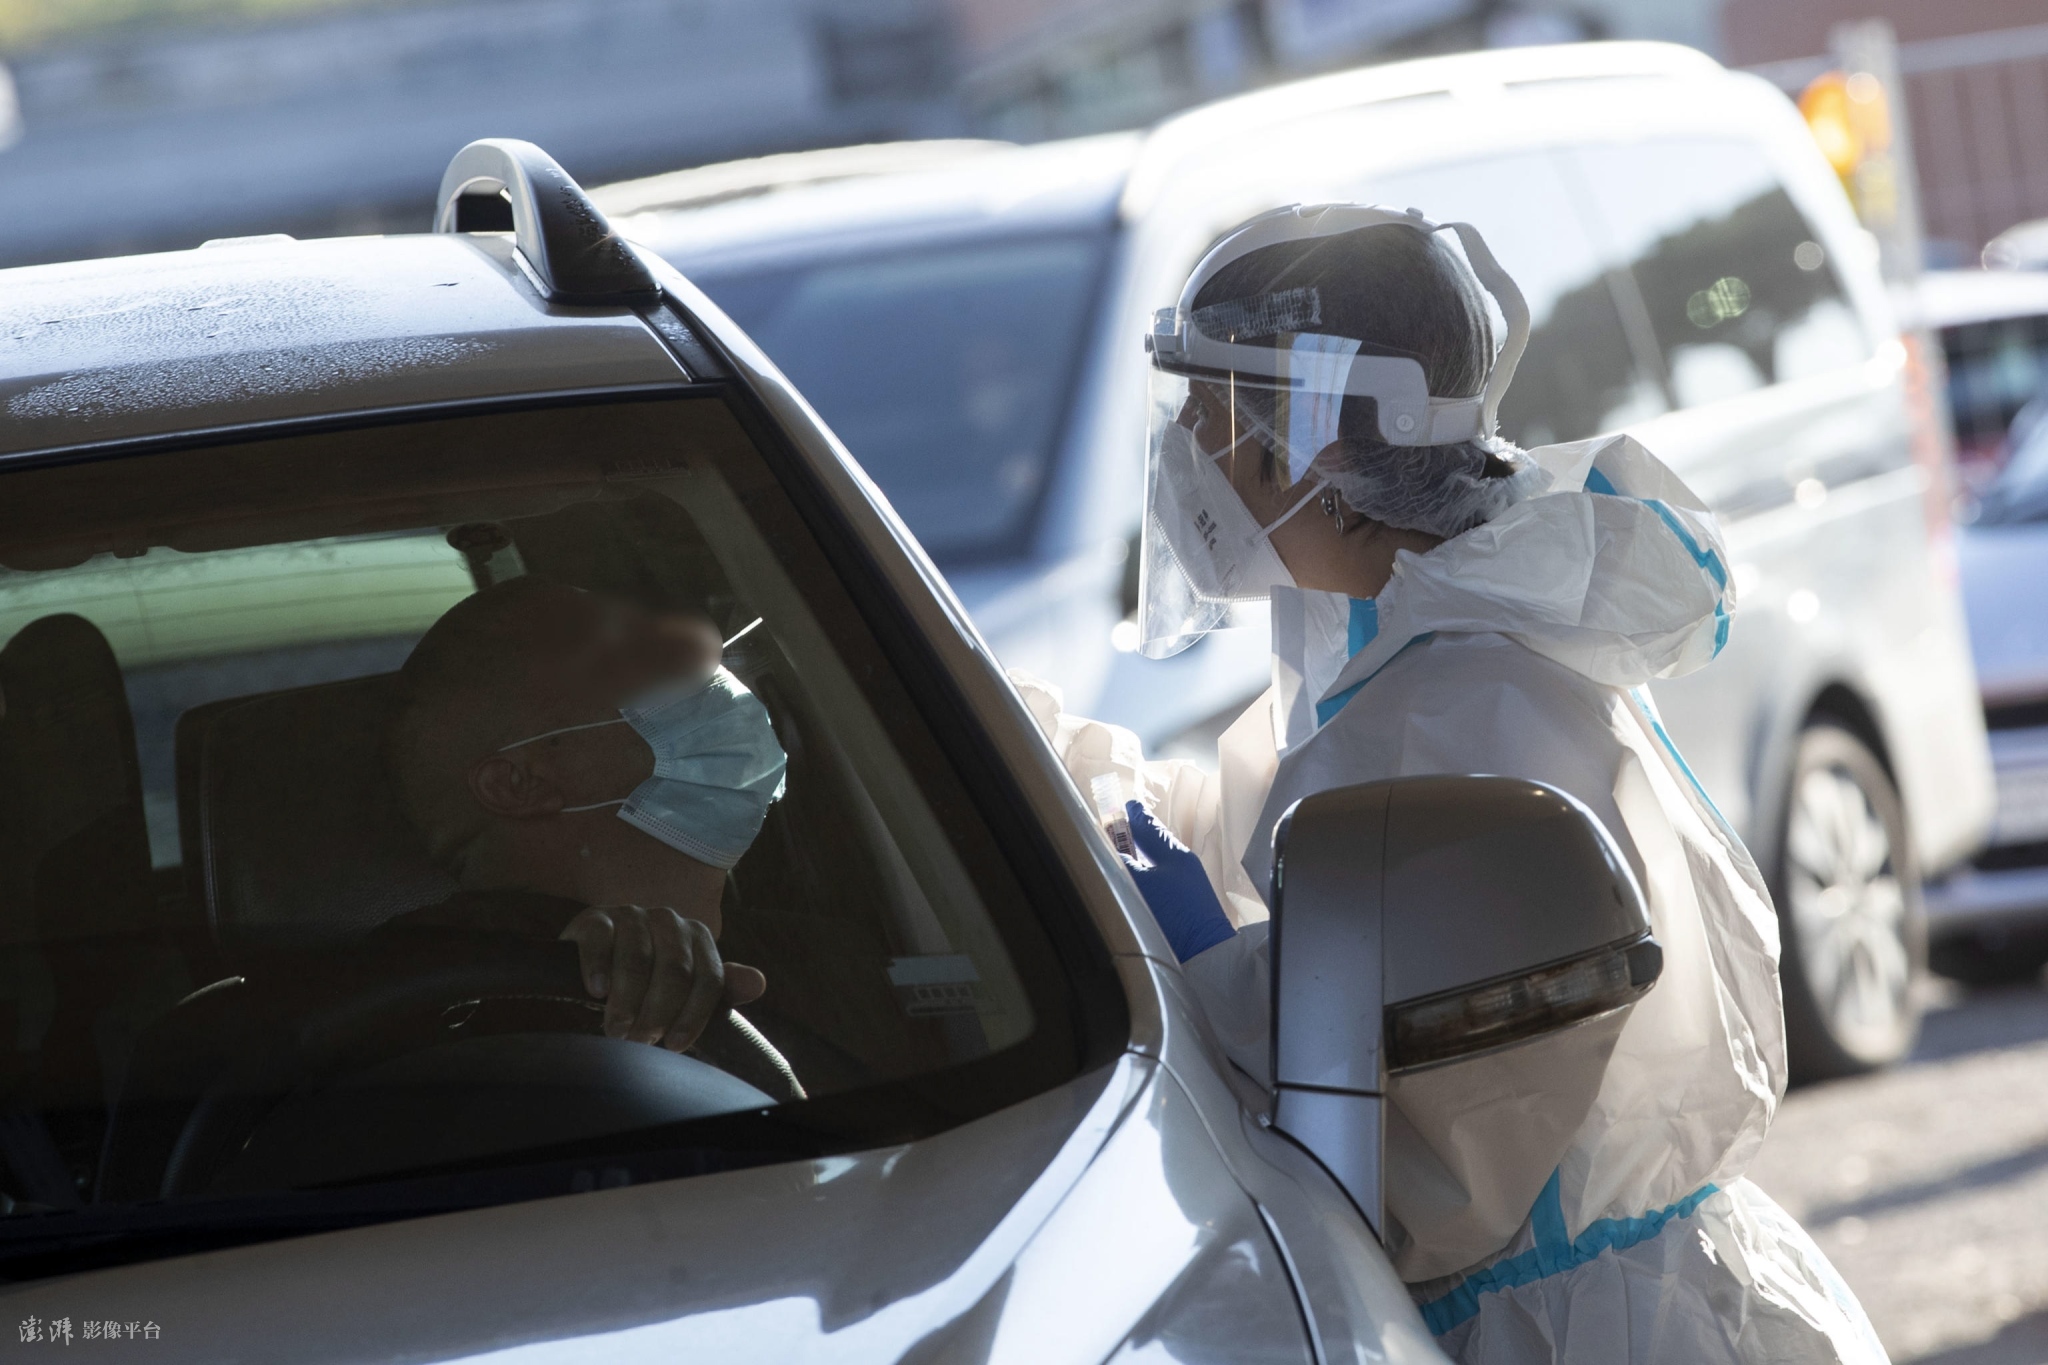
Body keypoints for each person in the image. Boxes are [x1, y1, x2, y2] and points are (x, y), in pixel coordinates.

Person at [1019, 205, 1886, 1363]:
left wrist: (1212, 966)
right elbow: (1270, 841)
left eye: (1208, 410)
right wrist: (1038, 750)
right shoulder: (1415, 650)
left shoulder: (1461, 703)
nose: (1183, 447)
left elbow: (1412, 1129)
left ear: (1316, 445)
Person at [386, 576, 789, 1058]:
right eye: (630, 651)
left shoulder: (826, 955)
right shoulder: (414, 994)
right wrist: (552, 974)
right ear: (518, 784)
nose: (701, 657)